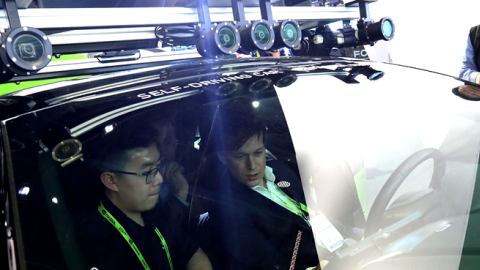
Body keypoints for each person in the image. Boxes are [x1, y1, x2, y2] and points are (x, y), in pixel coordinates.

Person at [77, 123, 212, 270]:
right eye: (147, 172)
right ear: (111, 180)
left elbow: (194, 254)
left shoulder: (154, 209)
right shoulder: (99, 243)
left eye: (158, 167)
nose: (159, 179)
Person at [205, 110, 325, 270]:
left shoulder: (280, 170)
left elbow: (312, 212)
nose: (252, 165)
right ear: (222, 157)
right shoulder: (227, 210)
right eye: (240, 156)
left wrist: (350, 239)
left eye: (258, 153)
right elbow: (267, 264)